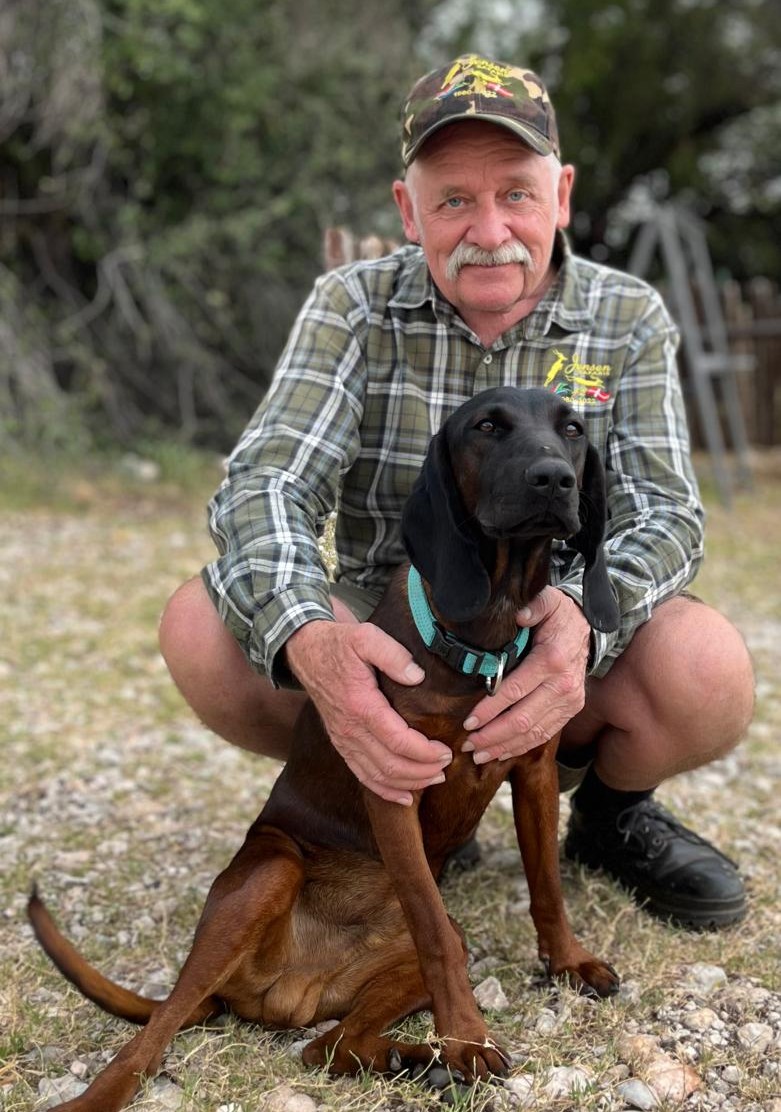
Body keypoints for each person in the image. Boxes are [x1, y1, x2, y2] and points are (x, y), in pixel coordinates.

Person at [159, 54, 754, 930]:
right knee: (202, 628)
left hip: (542, 611)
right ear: (409, 212)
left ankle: (611, 818)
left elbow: (665, 512)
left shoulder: (624, 317)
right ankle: (410, 781)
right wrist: (314, 637)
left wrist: (586, 624)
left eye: (515, 193)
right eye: (452, 200)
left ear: (560, 197)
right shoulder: (351, 307)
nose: (488, 229)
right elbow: (267, 480)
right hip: (392, 627)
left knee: (705, 668)